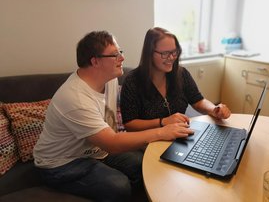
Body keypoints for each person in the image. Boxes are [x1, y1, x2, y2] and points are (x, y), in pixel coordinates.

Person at [33, 30, 194, 202]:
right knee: (119, 186)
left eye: (120, 52)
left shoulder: (110, 79)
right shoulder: (75, 98)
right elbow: (112, 143)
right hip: (61, 164)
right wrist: (162, 131)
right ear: (95, 61)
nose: (122, 58)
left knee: (147, 165)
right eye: (115, 55)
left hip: (96, 151)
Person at [120, 27, 231, 131]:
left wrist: (214, 109)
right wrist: (163, 122)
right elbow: (130, 124)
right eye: (165, 53)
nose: (172, 57)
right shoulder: (132, 82)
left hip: (179, 137)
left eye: (174, 52)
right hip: (149, 142)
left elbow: (198, 100)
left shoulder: (182, 74)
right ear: (149, 53)